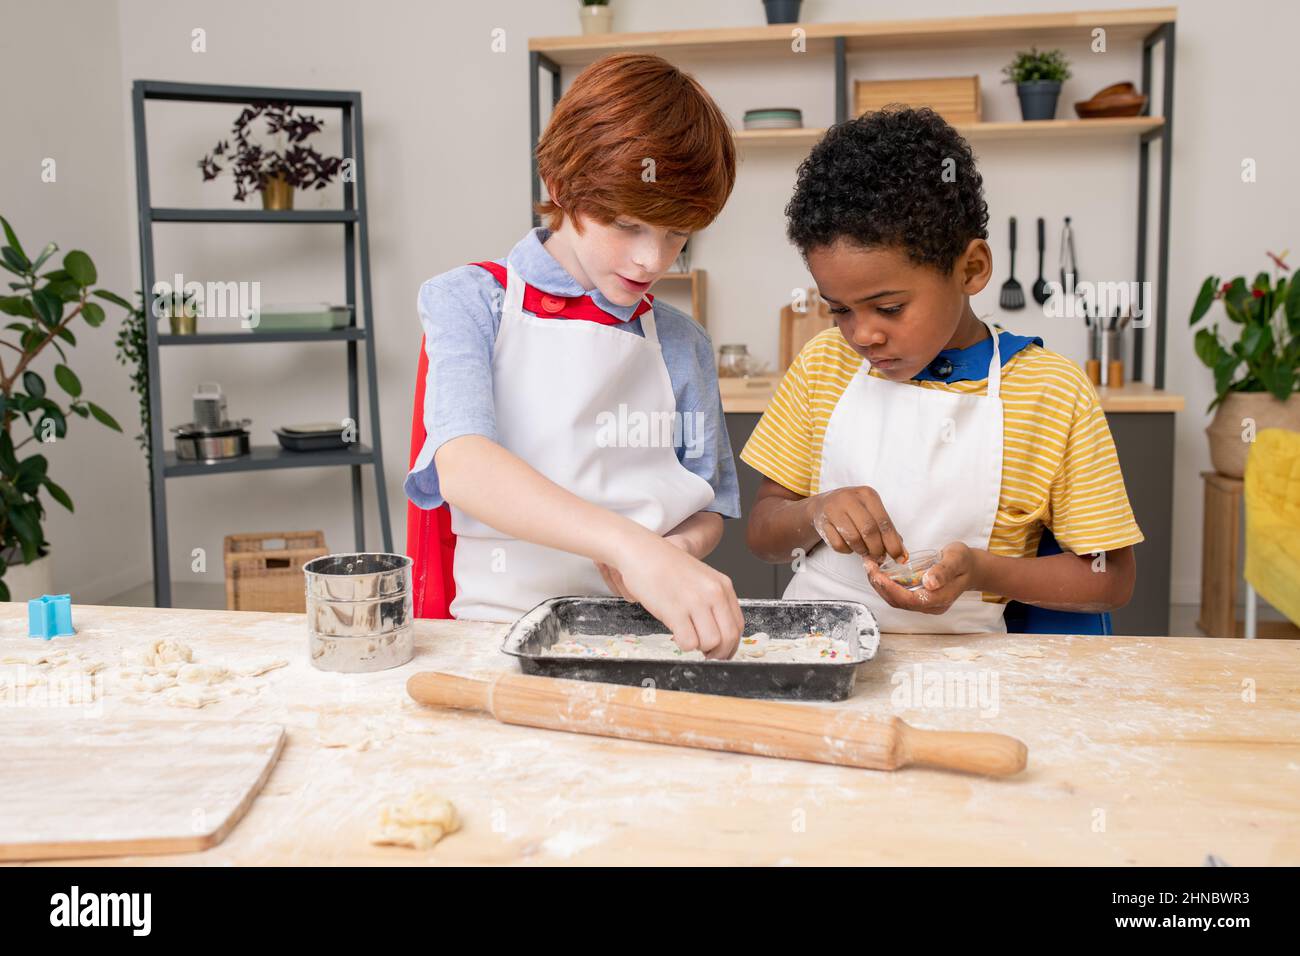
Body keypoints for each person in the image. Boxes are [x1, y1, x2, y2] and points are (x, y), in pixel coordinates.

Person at [743, 107, 1141, 633]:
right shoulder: (824, 364)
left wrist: (979, 570)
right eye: (839, 309)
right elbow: (764, 534)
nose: (862, 335)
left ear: (971, 269)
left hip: (967, 670)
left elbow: (1110, 579)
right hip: (817, 646)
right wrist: (814, 511)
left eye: (888, 308)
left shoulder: (1049, 391)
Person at [405, 53, 743, 657]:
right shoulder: (470, 301)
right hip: (494, 633)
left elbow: (708, 506)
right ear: (560, 187)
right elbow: (464, 466)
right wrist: (628, 545)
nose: (652, 261)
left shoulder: (682, 342)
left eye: (676, 234)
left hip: (646, 637)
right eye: (628, 225)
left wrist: (677, 553)